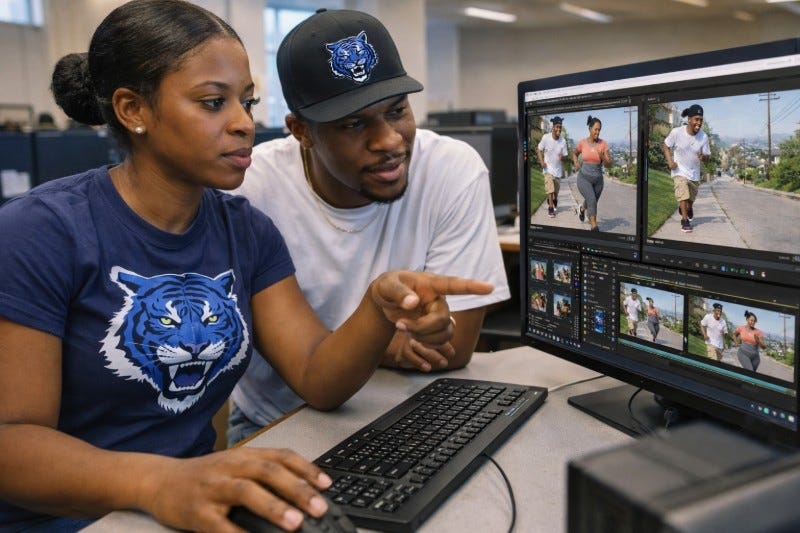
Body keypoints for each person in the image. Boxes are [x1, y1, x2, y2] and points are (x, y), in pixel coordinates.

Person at [0, 2, 492, 531]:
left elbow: (316, 377)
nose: (242, 123)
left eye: (246, 101)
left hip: (195, 502)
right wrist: (159, 481)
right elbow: (11, 440)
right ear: (132, 110)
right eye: (214, 103)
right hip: (71, 518)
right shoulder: (41, 230)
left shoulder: (244, 228)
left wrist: (377, 305)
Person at [228, 8, 509, 445]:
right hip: (279, 419)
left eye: (397, 111)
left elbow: (451, 350)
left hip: (412, 409)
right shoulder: (251, 191)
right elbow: (309, 374)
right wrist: (390, 342)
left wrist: (390, 344)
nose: (389, 141)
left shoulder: (453, 170)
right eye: (354, 123)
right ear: (300, 130)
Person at [662, 104, 711, 234]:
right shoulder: (677, 132)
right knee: (683, 194)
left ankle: (688, 208)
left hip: (694, 173)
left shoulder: (704, 137)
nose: (699, 123)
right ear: (689, 119)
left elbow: (707, 157)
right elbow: (665, 146)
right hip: (679, 171)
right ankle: (685, 220)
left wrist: (703, 156)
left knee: (690, 199)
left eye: (701, 120)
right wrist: (670, 162)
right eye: (696, 119)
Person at [573, 115, 611, 232]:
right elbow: (574, 153)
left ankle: (582, 209)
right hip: (584, 178)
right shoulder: (582, 143)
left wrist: (602, 156)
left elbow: (609, 164)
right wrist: (576, 163)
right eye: (596, 129)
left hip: (598, 180)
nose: (598, 132)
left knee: (591, 200)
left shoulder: (603, 144)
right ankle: (594, 227)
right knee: (592, 200)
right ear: (590, 129)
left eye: (599, 130)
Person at [537, 116, 568, 218]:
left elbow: (565, 157)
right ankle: (550, 208)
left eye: (560, 127)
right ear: (553, 127)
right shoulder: (546, 137)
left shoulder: (563, 141)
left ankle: (554, 200)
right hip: (548, 169)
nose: (559, 129)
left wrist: (562, 157)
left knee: (555, 191)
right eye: (557, 127)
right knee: (549, 189)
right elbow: (538, 150)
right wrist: (542, 162)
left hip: (558, 171)